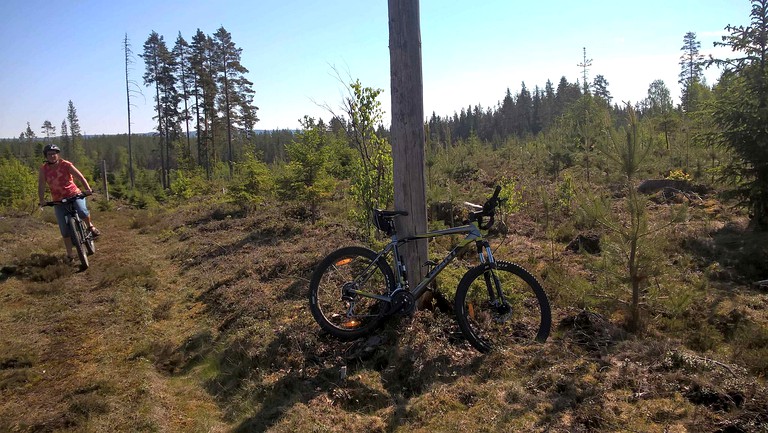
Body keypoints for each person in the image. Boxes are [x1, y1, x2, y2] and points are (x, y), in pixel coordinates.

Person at [37, 144, 101, 260]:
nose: (52, 156)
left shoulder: (66, 164)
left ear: (58, 154)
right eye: (49, 154)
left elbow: (80, 177)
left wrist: (87, 190)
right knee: (64, 229)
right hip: (58, 200)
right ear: (46, 156)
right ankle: (70, 254)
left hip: (74, 194)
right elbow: (41, 185)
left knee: (82, 211)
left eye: (54, 153)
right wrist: (42, 200)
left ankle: (90, 226)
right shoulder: (44, 169)